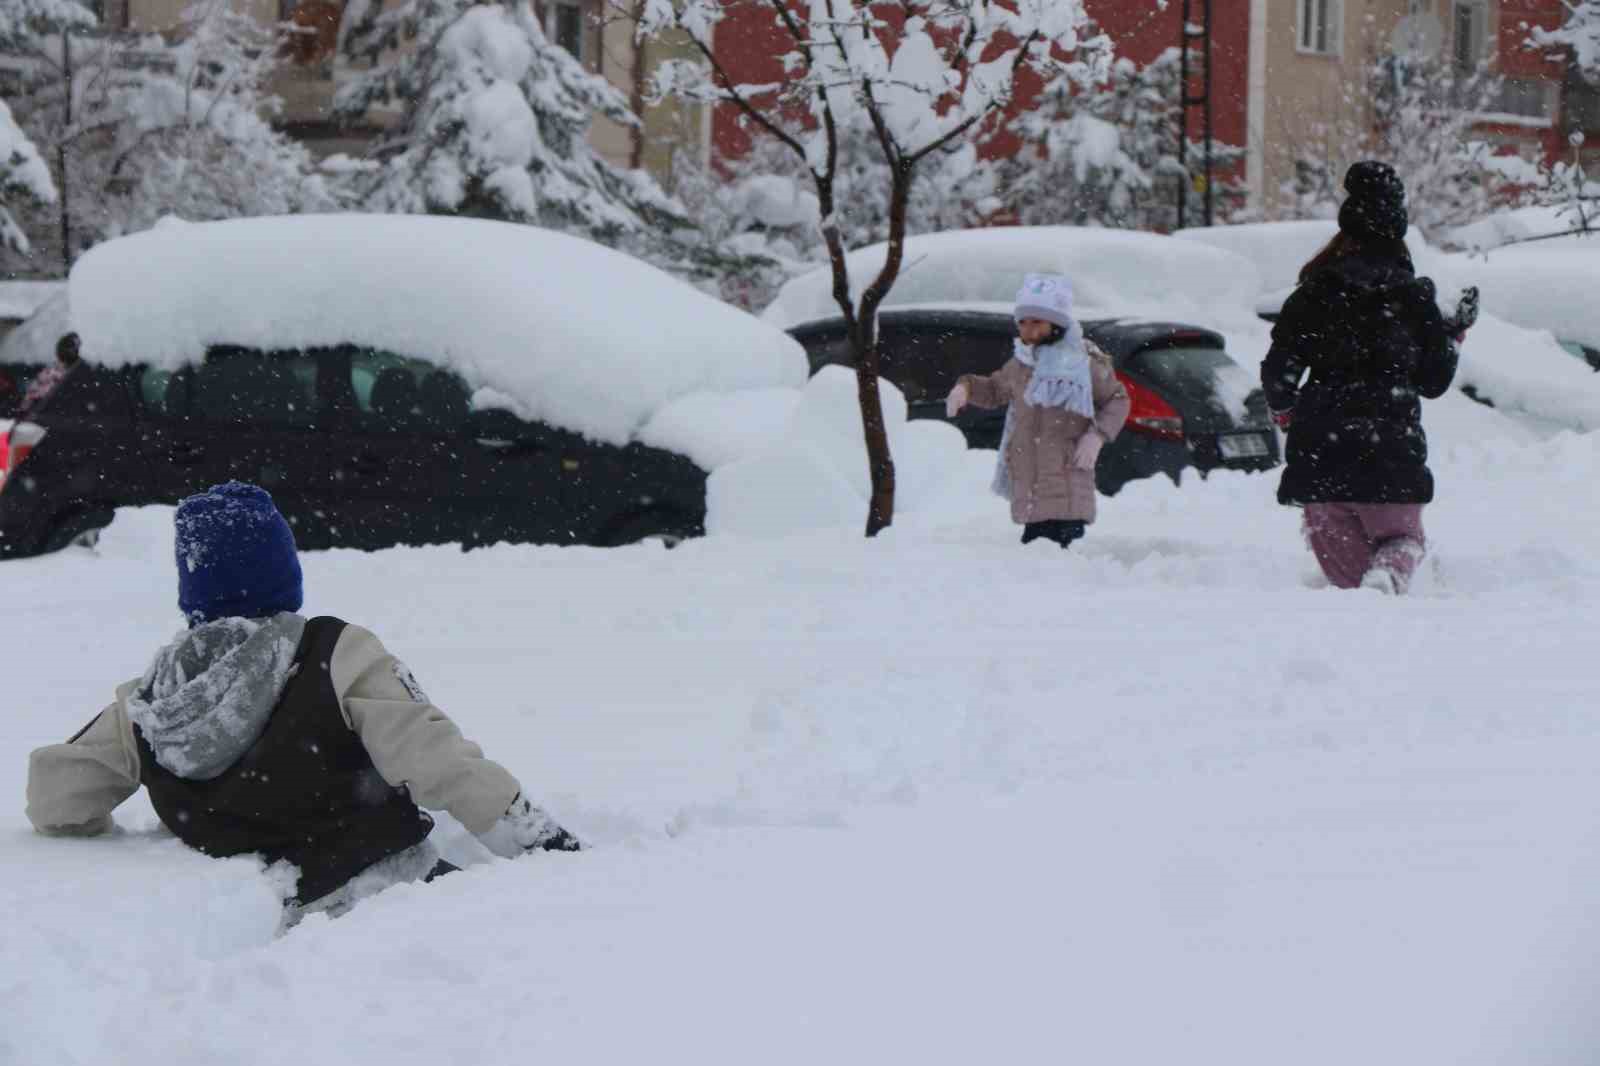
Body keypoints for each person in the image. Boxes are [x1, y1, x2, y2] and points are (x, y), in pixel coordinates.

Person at [25, 481, 579, 922]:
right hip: (398, 899)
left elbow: (54, 797)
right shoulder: (336, 653)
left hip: (273, 918)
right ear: (285, 574)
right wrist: (541, 843)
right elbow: (440, 762)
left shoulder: (147, 703)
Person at [1261, 161, 1475, 595]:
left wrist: (1286, 412)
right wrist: (1452, 335)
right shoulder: (1414, 299)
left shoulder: (1314, 294)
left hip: (1321, 460)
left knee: (1348, 594)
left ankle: (1368, 605)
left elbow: (1278, 377)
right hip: (1390, 456)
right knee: (1401, 546)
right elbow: (1433, 382)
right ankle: (1387, 577)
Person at [945, 272, 1130, 549]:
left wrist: (1097, 435)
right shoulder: (1021, 364)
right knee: (1037, 560)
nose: (1028, 329)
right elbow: (995, 389)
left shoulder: (1083, 363)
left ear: (1056, 323)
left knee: (1051, 561)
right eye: (1023, 322)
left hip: (1067, 490)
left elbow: (1117, 399)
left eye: (1037, 322)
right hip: (1031, 492)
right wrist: (966, 388)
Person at [18, 332, 82, 415]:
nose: (71, 352)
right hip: (50, 415)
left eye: (73, 349)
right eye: (69, 348)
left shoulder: (77, 372)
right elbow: (32, 396)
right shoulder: (51, 372)